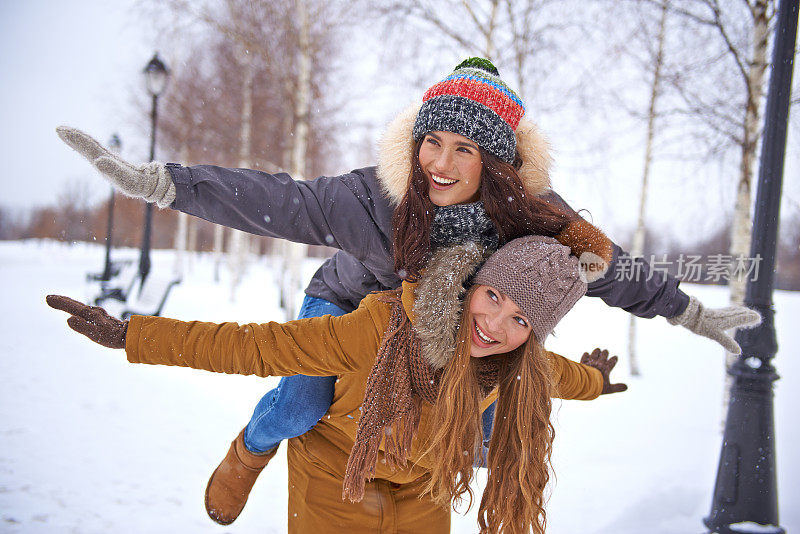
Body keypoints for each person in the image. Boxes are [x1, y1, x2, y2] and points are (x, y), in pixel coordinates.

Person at [55, 57, 760, 524]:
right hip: (350, 309)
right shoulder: (376, 197)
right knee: (303, 401)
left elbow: (609, 269)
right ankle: (251, 447)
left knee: (476, 428)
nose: (441, 164)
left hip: (460, 328)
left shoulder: (535, 213)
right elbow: (276, 201)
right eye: (432, 142)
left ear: (501, 163)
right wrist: (162, 184)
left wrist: (690, 310)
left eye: (466, 149)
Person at [48, 236, 628, 534]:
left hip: (422, 484)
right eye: (494, 297)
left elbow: (560, 378)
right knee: (301, 400)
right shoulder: (388, 322)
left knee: (486, 441)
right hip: (335, 460)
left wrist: (596, 382)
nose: (494, 326)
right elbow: (261, 345)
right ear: (473, 283)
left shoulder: (518, 364)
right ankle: (251, 446)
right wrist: (136, 336)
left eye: (522, 320)